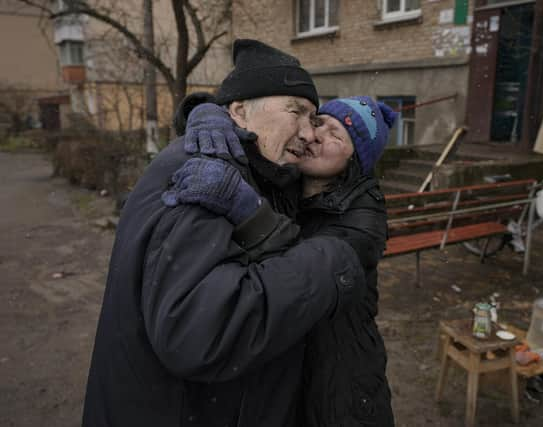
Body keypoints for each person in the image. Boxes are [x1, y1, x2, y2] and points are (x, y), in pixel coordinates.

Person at [82, 39, 371, 427]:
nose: (308, 133)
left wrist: (199, 109)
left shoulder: (260, 167)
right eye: (296, 112)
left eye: (314, 119)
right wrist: (331, 260)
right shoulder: (206, 170)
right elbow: (200, 331)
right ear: (237, 112)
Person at [165, 96, 398, 426]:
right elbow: (248, 110)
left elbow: (301, 269)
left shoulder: (364, 220)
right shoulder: (286, 180)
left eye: (336, 136)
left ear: (354, 162)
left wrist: (248, 210)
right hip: (285, 374)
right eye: (319, 123)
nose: (315, 135)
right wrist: (207, 115)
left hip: (341, 386)